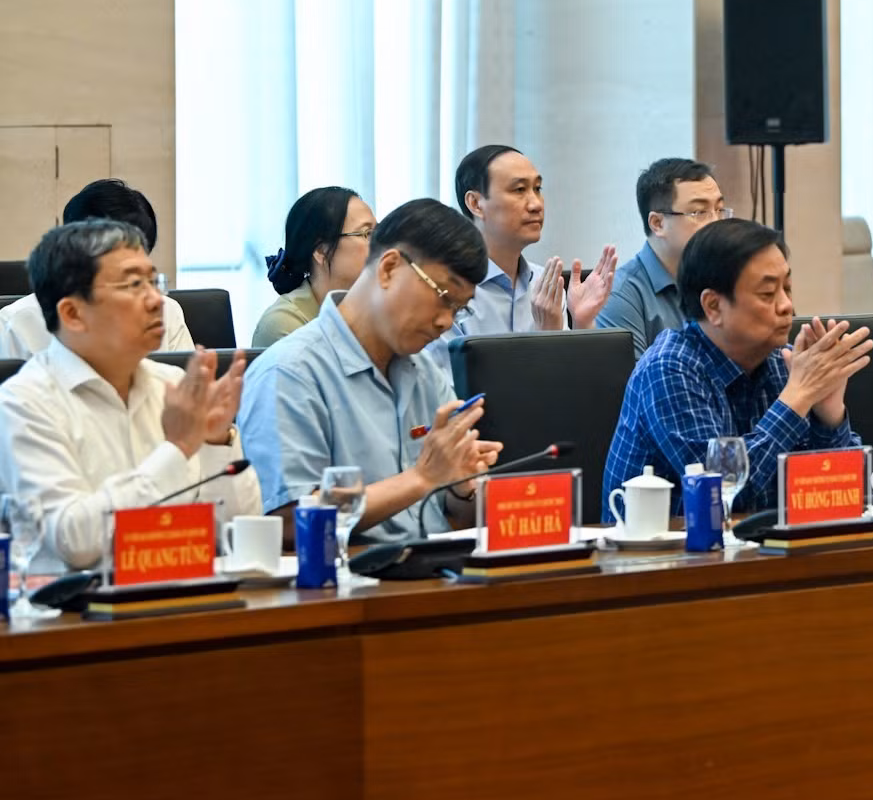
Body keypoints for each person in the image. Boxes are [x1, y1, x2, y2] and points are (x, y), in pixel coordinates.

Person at [0, 219, 261, 573]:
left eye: (153, 282)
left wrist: (217, 440)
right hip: (77, 618)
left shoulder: (172, 386)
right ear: (73, 314)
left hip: (189, 600)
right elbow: (73, 543)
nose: (157, 300)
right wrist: (178, 448)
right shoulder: (23, 403)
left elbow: (238, 532)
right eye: (134, 284)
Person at [236, 198, 502, 541]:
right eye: (443, 297)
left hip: (434, 576)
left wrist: (462, 489)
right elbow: (290, 520)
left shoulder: (424, 372)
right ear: (389, 268)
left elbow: (451, 515)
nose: (445, 321)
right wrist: (420, 479)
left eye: (459, 309)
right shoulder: (290, 373)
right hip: (347, 585)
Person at [603, 218, 872, 515]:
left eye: (788, 288)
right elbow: (722, 496)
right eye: (768, 294)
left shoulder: (782, 362)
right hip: (662, 558)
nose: (786, 306)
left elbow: (842, 494)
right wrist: (798, 397)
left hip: (765, 553)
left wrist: (829, 416)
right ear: (713, 306)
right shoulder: (668, 369)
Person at [0, 179, 194, 358]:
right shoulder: (17, 324)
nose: (150, 299)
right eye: (129, 279)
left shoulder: (166, 311)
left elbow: (184, 385)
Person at [450, 143, 619, 338]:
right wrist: (545, 337)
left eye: (537, 189)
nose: (536, 204)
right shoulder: (449, 290)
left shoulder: (544, 284)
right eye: (519, 189)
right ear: (476, 204)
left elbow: (571, 369)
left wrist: (583, 322)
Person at [596, 157, 731, 359]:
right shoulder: (620, 295)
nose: (716, 223)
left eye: (719, 210)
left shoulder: (731, 278)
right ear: (657, 223)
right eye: (699, 212)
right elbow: (635, 386)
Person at [252, 187, 377, 347]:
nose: (380, 244)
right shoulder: (284, 324)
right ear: (321, 251)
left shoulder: (373, 310)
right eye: (367, 234)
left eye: (378, 232)